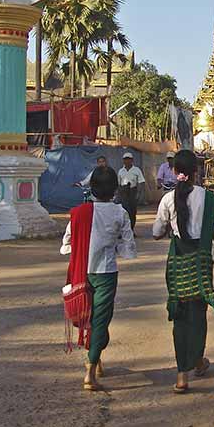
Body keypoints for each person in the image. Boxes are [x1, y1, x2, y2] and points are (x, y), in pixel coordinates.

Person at [152, 150, 214, 393]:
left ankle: (182, 374)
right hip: (201, 262)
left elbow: (156, 233)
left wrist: (169, 228)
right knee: (198, 315)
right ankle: (197, 360)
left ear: (174, 172)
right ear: (196, 172)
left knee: (180, 315)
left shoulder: (168, 199)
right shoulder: (209, 199)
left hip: (177, 263)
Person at [60, 165, 136, 392]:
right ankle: (90, 370)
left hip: (82, 272)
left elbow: (67, 244)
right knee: (101, 320)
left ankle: (96, 358)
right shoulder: (120, 213)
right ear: (115, 189)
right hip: (106, 273)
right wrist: (114, 247)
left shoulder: (79, 213)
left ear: (92, 188)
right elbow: (128, 248)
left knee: (88, 317)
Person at [117, 152, 146, 232]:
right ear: (123, 160)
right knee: (124, 212)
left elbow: (141, 182)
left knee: (132, 212)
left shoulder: (136, 170)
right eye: (125, 159)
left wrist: (139, 194)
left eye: (128, 159)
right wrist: (119, 194)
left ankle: (131, 229)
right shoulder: (121, 171)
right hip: (123, 192)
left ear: (132, 160)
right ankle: (124, 230)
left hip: (133, 191)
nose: (127, 161)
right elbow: (119, 184)